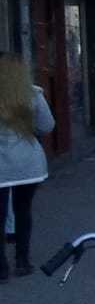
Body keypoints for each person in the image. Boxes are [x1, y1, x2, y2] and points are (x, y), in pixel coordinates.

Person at [0, 52, 56, 283]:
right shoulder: (32, 94)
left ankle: (1, 268)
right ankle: (23, 261)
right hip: (28, 164)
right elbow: (47, 126)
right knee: (23, 211)